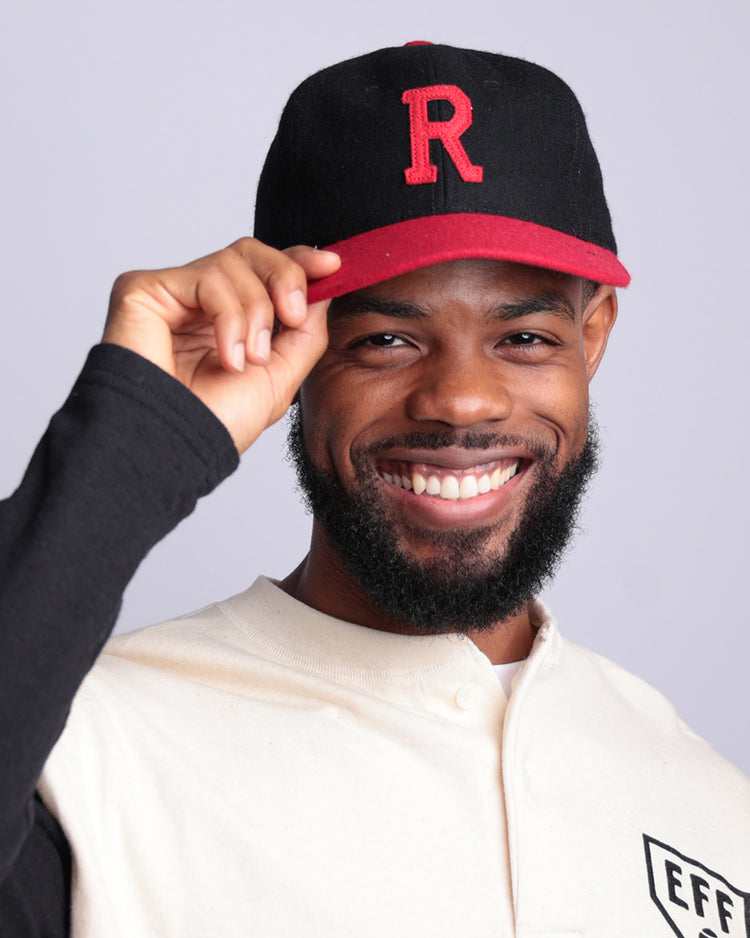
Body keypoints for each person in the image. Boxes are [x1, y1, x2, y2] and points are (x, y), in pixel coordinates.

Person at [1, 41, 749, 938]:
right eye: (386, 339)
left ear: (594, 339)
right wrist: (136, 438)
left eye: (525, 339)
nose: (460, 398)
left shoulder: (711, 807)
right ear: (288, 349)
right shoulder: (91, 746)